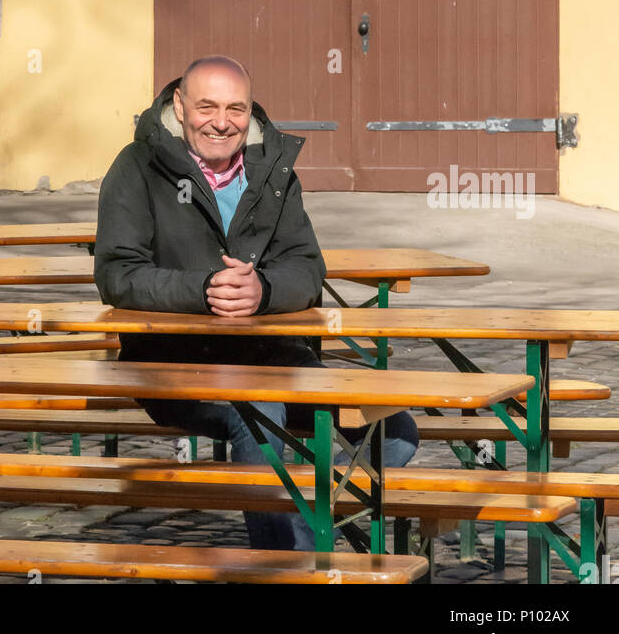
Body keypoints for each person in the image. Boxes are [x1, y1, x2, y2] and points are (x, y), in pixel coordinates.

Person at [94, 55, 419, 550]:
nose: (221, 122)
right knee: (261, 416)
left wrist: (262, 291)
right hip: (171, 365)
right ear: (179, 106)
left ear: (250, 112)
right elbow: (117, 274)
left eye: (235, 109)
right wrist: (202, 290)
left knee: (395, 429)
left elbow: (307, 267)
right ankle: (283, 566)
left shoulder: (272, 169)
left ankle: (304, 535)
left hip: (277, 358)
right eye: (206, 106)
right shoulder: (137, 166)